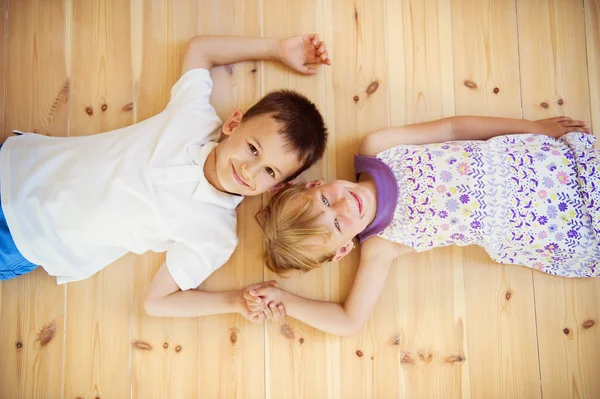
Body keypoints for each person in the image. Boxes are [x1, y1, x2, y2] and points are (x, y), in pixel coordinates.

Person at [0, 34, 330, 322]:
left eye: (269, 172)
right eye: (253, 149)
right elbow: (201, 50)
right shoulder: (193, 116)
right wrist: (276, 49)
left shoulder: (215, 236)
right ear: (233, 124)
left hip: (26, 242)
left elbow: (157, 302)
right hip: (18, 164)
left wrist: (234, 302)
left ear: (277, 185)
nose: (249, 170)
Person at [245, 116, 597, 335]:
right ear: (342, 249)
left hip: (539, 162)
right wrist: (284, 299)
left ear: (314, 184)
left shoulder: (378, 148)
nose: (342, 205)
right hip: (545, 221)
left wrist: (534, 127)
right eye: (337, 224)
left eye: (324, 200)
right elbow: (349, 322)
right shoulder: (381, 245)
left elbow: (453, 128)